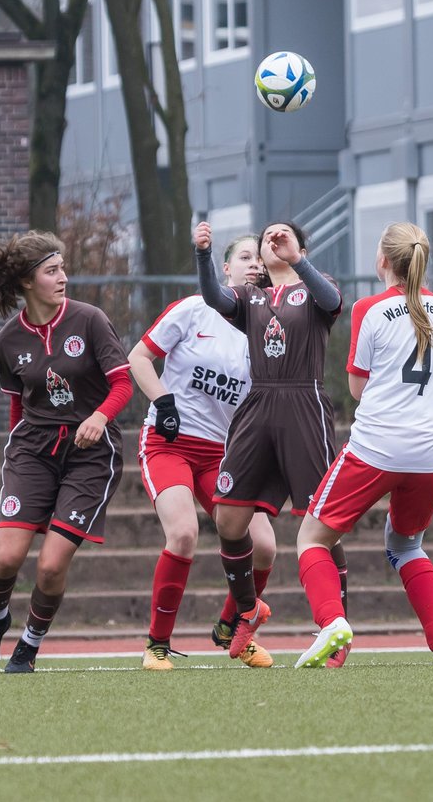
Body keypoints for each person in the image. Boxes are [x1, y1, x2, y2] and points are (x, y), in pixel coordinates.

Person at [293, 222, 433, 669]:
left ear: (383, 262)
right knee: (407, 546)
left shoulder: (369, 309)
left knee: (311, 539)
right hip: (430, 453)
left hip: (376, 447)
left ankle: (332, 621)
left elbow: (356, 388)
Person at [0, 231, 132, 673]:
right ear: (26, 281)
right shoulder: (8, 339)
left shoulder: (91, 319)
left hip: (92, 454)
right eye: (51, 271)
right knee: (5, 558)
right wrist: (18, 455)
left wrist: (98, 418)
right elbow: (18, 404)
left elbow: (123, 383)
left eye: (62, 269)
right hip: (33, 450)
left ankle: (29, 644)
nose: (64, 278)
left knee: (50, 567)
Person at [194, 218, 350, 665]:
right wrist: (204, 254)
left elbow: (333, 300)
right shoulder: (250, 296)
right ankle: (247, 610)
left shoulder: (316, 289)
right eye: (267, 236)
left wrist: (297, 259)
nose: (274, 240)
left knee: (321, 524)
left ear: (301, 245)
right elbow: (213, 297)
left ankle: (334, 625)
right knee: (228, 519)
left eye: (284, 234)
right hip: (258, 405)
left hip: (304, 406)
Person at [127, 235, 277, 670]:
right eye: (244, 258)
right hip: (169, 443)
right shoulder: (194, 309)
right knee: (184, 534)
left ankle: (235, 626)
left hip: (222, 453)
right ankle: (157, 644)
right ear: (225, 269)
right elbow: (138, 357)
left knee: (264, 546)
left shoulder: (268, 325)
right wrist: (162, 401)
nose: (253, 266)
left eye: (259, 261)